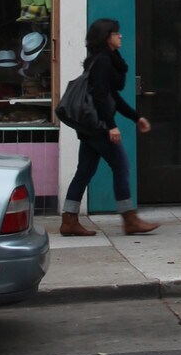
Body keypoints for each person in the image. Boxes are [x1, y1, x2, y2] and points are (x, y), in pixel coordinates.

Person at [59, 18, 160, 237]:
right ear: (107, 37)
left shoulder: (105, 59)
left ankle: (69, 219)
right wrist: (111, 126)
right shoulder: (103, 61)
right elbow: (100, 96)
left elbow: (112, 96)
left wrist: (136, 117)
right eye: (116, 33)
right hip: (99, 127)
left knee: (85, 170)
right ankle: (129, 219)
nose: (120, 36)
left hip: (91, 127)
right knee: (121, 166)